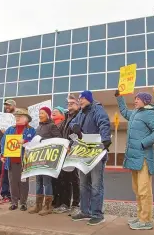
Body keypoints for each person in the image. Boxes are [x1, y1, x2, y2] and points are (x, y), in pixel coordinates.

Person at [115, 91, 154, 230]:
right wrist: (119, 97)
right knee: (137, 189)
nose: (135, 100)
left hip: (143, 158)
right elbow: (124, 111)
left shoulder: (149, 113)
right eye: (135, 98)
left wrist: (143, 143)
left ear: (145, 101)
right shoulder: (135, 113)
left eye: (138, 99)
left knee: (144, 190)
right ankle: (141, 217)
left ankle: (146, 220)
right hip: (134, 158)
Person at [70, 90, 111, 226]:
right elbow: (73, 123)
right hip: (83, 153)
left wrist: (105, 139)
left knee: (96, 185)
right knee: (83, 184)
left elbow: (104, 123)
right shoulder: (81, 113)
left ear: (89, 99)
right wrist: (74, 126)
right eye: (79, 99)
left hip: (96, 152)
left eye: (82, 99)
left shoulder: (97, 109)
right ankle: (85, 211)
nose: (80, 101)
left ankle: (97, 214)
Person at [1, 108, 36, 211]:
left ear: (26, 119)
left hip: (24, 160)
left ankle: (23, 202)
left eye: (20, 116)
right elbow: (3, 142)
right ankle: (14, 202)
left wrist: (25, 141)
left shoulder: (31, 130)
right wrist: (3, 155)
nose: (17, 118)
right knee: (13, 182)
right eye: (16, 116)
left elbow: (34, 142)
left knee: (24, 182)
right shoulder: (10, 129)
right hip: (11, 160)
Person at [28, 106, 61, 215]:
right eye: (39, 113)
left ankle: (48, 206)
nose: (40, 115)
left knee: (47, 182)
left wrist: (42, 140)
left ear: (47, 114)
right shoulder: (38, 127)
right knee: (38, 182)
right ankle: (38, 205)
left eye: (42, 113)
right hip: (38, 158)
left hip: (47, 158)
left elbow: (59, 139)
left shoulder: (52, 126)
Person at [53, 95, 81, 215]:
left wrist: (71, 144)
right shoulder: (66, 119)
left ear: (78, 104)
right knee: (64, 178)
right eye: (68, 103)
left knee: (74, 179)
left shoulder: (80, 116)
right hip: (64, 152)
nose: (69, 105)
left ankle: (75, 204)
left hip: (73, 152)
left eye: (72, 103)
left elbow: (79, 134)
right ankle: (65, 204)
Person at [50, 106, 66, 208]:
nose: (54, 112)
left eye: (56, 111)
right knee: (53, 179)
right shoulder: (50, 125)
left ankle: (61, 200)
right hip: (52, 156)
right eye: (53, 111)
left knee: (61, 180)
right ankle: (54, 199)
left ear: (62, 114)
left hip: (61, 155)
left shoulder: (64, 125)